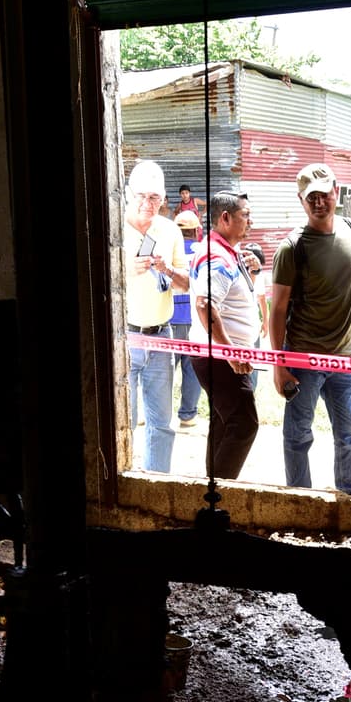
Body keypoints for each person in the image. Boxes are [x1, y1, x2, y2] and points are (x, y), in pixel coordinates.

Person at [269, 162, 351, 498]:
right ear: (302, 200)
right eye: (311, 197)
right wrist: (279, 364)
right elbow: (278, 308)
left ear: (335, 192)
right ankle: (301, 500)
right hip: (304, 359)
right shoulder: (292, 247)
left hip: (347, 359)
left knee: (350, 434)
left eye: (324, 194)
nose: (319, 202)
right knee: (298, 436)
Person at [188, 191, 262, 479]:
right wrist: (231, 352)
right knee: (244, 424)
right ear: (226, 218)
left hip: (216, 354)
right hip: (220, 357)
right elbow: (205, 304)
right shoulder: (217, 256)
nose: (250, 221)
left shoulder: (222, 251)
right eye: (245, 215)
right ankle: (219, 495)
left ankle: (213, 489)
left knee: (224, 422)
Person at [123, 158, 188, 473]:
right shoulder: (113, 227)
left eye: (155, 198)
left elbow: (187, 282)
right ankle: (123, 481)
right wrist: (122, 270)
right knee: (123, 421)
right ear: (128, 193)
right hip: (123, 336)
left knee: (162, 422)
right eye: (141, 196)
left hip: (161, 336)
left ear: (164, 199)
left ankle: (157, 481)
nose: (148, 204)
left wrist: (168, 269)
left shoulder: (170, 229)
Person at [171, 210, 204, 430]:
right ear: (196, 230)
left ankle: (158, 413)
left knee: (165, 369)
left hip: (171, 317)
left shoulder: (168, 249)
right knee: (192, 369)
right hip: (195, 318)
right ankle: (188, 415)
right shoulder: (202, 251)